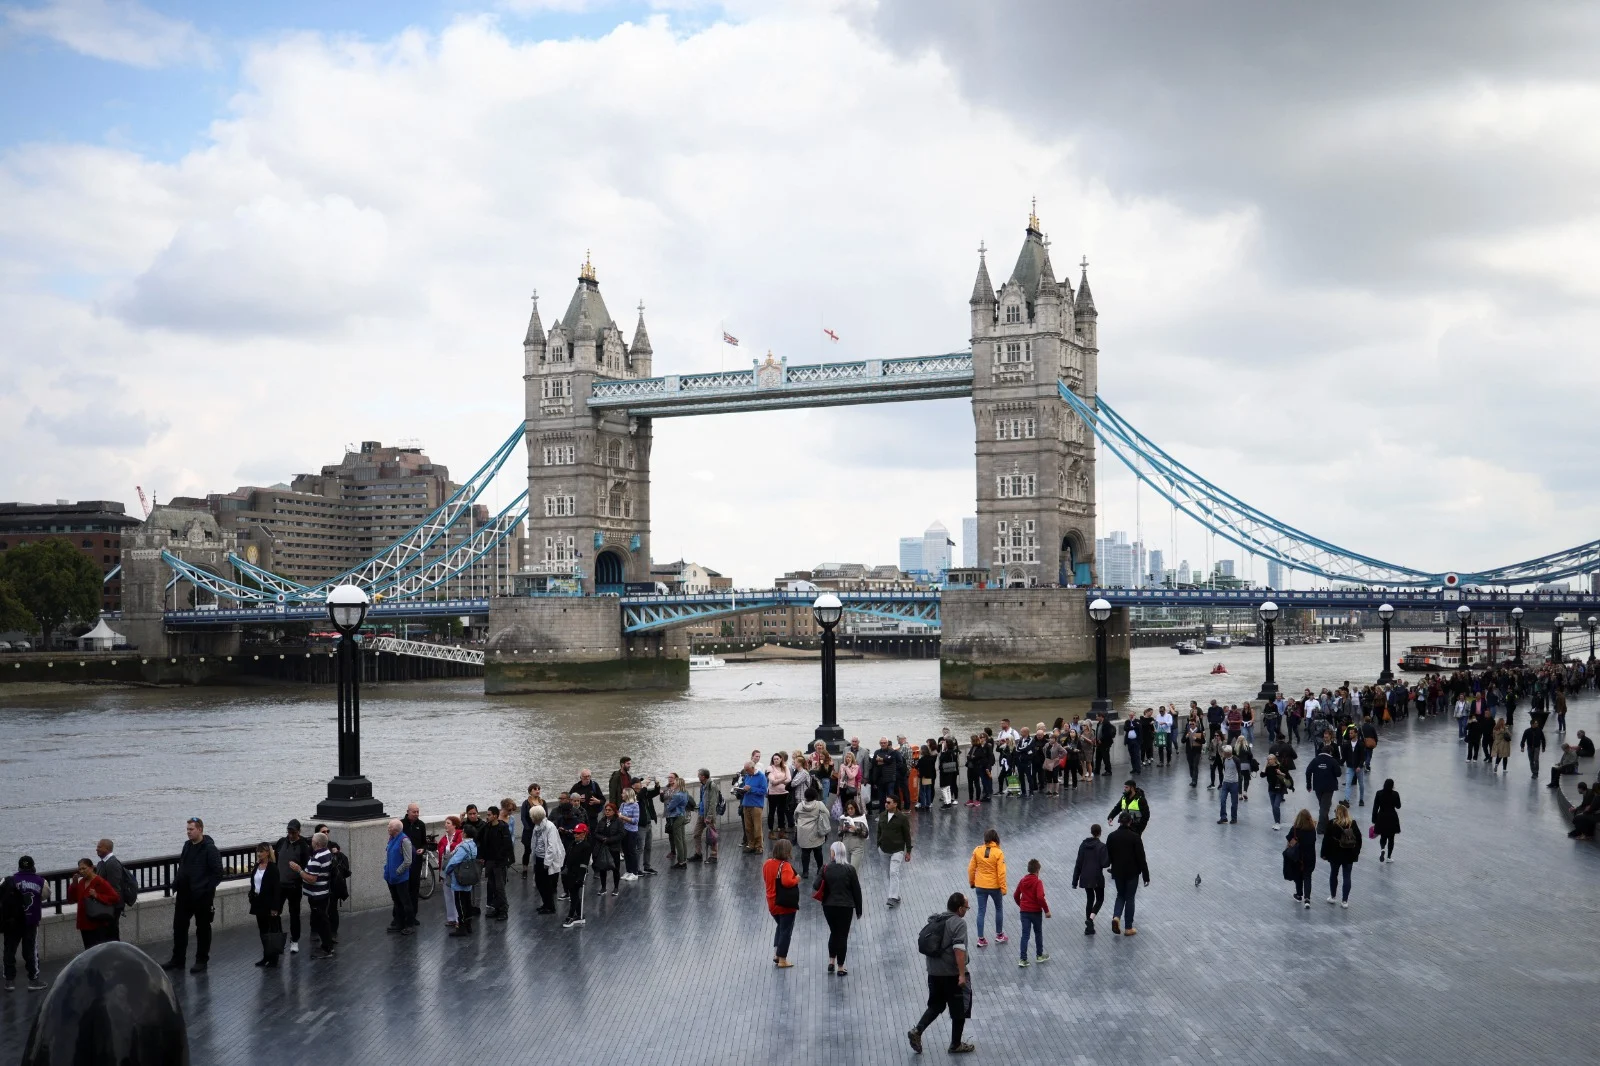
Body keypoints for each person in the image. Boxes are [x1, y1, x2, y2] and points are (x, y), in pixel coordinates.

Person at [907, 892, 973, 1056]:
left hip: (933, 972)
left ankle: (917, 1030)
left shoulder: (937, 919)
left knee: (936, 1005)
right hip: (950, 973)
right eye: (966, 908)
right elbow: (959, 950)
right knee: (959, 1009)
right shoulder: (959, 923)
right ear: (960, 909)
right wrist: (962, 974)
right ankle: (956, 1044)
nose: (966, 910)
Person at [163, 817, 222, 974]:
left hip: (202, 896)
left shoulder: (210, 849)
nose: (188, 832)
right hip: (184, 894)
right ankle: (178, 959)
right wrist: (176, 883)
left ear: (200, 829)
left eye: (191, 829)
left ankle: (201, 960)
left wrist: (206, 890)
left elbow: (218, 873)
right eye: (187, 829)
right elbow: (182, 866)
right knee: (179, 927)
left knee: (202, 928)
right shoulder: (187, 845)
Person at [816, 841, 863, 975]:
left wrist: (822, 875)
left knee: (834, 932)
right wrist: (859, 910)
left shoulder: (826, 868)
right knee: (842, 935)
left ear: (833, 853)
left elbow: (815, 885)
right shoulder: (850, 869)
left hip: (829, 906)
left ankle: (831, 962)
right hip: (846, 907)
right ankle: (841, 967)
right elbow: (857, 891)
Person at [1, 856, 47, 991]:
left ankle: (9, 981)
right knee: (31, 951)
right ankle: (33, 980)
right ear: (33, 867)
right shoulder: (41, 881)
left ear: (19, 867)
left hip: (11, 921)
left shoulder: (8, 880)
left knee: (9, 950)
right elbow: (45, 896)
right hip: (30, 921)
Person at [293, 830, 337, 958]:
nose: (310, 843)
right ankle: (327, 945)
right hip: (324, 892)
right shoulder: (327, 853)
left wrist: (299, 870)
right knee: (323, 920)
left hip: (317, 895)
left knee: (322, 921)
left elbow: (311, 879)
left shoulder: (317, 858)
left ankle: (327, 948)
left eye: (312, 841)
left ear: (317, 844)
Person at [1105, 813, 1149, 936]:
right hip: (1132, 872)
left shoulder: (1111, 836)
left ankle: (1116, 917)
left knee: (1120, 895)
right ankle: (1128, 928)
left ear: (1119, 821)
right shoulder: (1135, 837)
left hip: (1118, 872)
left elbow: (1108, 855)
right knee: (1130, 898)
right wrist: (1146, 876)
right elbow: (1141, 858)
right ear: (1130, 822)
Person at [274, 819, 312, 953]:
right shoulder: (281, 842)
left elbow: (306, 866)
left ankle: (294, 941)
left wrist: (298, 871)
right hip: (279, 885)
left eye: (293, 833)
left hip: (294, 886)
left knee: (294, 914)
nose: (290, 835)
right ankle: (277, 939)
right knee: (274, 912)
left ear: (299, 832)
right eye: (289, 832)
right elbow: (275, 859)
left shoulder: (303, 846)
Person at [65, 858, 119, 950]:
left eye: (84, 868)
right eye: (80, 869)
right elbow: (71, 899)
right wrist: (74, 884)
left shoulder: (100, 882)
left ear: (91, 868)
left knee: (98, 950)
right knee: (88, 949)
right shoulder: (81, 882)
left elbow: (115, 897)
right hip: (84, 923)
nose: (81, 871)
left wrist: (97, 895)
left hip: (97, 923)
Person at [762, 839, 801, 968]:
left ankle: (776, 954)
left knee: (780, 926)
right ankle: (782, 959)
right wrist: (797, 879)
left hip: (771, 902)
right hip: (784, 904)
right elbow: (787, 882)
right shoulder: (785, 866)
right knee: (786, 931)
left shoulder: (767, 863)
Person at [966, 828, 1007, 947]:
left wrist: (972, 882)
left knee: (981, 911)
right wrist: (1003, 888)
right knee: (998, 909)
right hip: (995, 887)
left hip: (980, 886)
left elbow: (971, 868)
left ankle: (981, 939)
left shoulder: (977, 850)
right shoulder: (998, 853)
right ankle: (999, 935)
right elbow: (1001, 873)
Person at [1321, 800, 1363, 907]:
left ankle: (1333, 896)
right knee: (1347, 876)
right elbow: (1359, 839)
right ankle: (1345, 901)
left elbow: (1326, 840)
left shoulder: (1332, 823)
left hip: (1334, 854)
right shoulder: (1352, 823)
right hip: (1349, 854)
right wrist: (1356, 852)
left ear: (1337, 813)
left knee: (1333, 874)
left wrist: (1324, 854)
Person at [248, 842, 284, 967]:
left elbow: (276, 889)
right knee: (263, 931)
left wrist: (275, 908)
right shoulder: (257, 866)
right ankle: (266, 956)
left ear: (268, 853)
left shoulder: (272, 868)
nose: (259, 854)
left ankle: (273, 958)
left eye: (261, 851)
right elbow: (254, 884)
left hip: (269, 904)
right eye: (258, 851)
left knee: (272, 931)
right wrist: (251, 896)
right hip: (258, 903)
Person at [525, 805, 565, 913]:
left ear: (536, 816)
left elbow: (552, 846)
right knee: (539, 882)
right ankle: (545, 904)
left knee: (546, 884)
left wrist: (547, 863)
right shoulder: (537, 826)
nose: (530, 817)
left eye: (531, 816)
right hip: (538, 858)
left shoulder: (550, 827)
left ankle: (550, 907)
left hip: (546, 860)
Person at [1070, 823, 1109, 935]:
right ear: (1100, 833)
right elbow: (1105, 864)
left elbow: (1078, 863)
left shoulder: (1083, 845)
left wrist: (1075, 881)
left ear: (1091, 832)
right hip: (1097, 877)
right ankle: (1090, 919)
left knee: (1090, 899)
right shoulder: (1102, 846)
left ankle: (1089, 928)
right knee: (1100, 899)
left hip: (1085, 877)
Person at [443, 825, 480, 937]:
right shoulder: (473, 845)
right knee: (467, 902)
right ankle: (468, 925)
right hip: (468, 877)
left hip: (460, 878)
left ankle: (462, 927)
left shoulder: (464, 847)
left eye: (463, 831)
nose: (461, 833)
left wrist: (446, 871)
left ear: (465, 834)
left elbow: (454, 861)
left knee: (460, 903)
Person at [877, 794, 914, 907]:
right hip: (884, 850)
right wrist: (878, 844)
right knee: (889, 874)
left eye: (889, 802)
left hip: (897, 850)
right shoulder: (882, 815)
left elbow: (907, 835)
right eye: (886, 802)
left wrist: (908, 851)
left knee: (893, 872)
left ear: (895, 804)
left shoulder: (902, 818)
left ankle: (892, 897)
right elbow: (879, 831)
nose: (886, 804)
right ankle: (896, 895)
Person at [1013, 858, 1051, 966]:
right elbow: (1040, 897)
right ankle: (1039, 955)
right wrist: (1046, 911)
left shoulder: (1022, 881)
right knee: (1038, 933)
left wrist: (1022, 905)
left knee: (1025, 935)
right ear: (1037, 871)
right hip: (1036, 912)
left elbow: (1016, 895)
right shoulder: (1038, 882)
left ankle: (1023, 959)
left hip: (1024, 912)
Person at [382, 819, 416, 934]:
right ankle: (399, 923)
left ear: (396, 829)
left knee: (405, 902)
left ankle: (410, 924)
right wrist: (387, 870)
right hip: (391, 877)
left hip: (400, 878)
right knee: (397, 901)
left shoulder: (404, 840)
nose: (388, 828)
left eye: (390, 826)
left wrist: (398, 872)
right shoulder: (392, 839)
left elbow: (408, 861)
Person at [92, 839, 127, 943]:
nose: (96, 849)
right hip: (105, 905)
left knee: (111, 934)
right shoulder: (102, 863)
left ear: (107, 848)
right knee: (106, 934)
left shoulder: (112, 864)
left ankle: (116, 952)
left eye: (99, 847)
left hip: (112, 906)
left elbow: (114, 888)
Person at [794, 785, 831, 878]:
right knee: (818, 852)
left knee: (805, 853)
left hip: (803, 833)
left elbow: (795, 816)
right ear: (815, 795)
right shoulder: (819, 804)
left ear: (805, 796)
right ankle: (820, 869)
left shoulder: (800, 805)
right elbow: (828, 814)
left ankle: (805, 872)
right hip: (816, 833)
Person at [435, 815, 464, 927]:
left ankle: (458, 918)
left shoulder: (460, 835)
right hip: (446, 869)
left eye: (448, 823)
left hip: (456, 869)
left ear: (454, 825)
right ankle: (451, 918)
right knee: (447, 894)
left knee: (456, 894)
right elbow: (440, 850)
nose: (445, 825)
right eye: (445, 823)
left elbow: (460, 850)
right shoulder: (444, 838)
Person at [1285, 809, 1317, 908]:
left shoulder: (1295, 829)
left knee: (1298, 876)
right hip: (1310, 857)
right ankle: (1307, 899)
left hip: (1297, 857)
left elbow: (1289, 841)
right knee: (1307, 876)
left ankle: (1299, 895)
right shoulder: (1312, 829)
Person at [562, 823, 592, 927]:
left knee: (574, 896)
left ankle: (571, 916)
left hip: (577, 874)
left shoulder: (586, 846)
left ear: (584, 834)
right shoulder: (573, 843)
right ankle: (579, 915)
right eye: (575, 833)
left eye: (578, 833)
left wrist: (581, 877)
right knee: (573, 895)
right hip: (569, 873)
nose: (576, 835)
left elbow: (584, 863)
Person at [1305, 745, 1341, 831]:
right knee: (1324, 807)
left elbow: (1308, 772)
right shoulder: (1333, 761)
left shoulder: (1315, 760)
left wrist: (1309, 785)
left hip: (1318, 787)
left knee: (1323, 806)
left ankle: (1326, 825)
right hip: (1329, 787)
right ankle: (1320, 828)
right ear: (1330, 752)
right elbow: (1338, 773)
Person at [735, 760, 768, 853]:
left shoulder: (761, 776)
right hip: (746, 804)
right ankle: (751, 845)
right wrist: (740, 790)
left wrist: (751, 789)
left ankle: (759, 847)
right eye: (745, 769)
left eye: (747, 769)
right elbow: (745, 787)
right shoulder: (747, 776)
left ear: (753, 768)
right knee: (748, 827)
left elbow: (764, 791)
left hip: (756, 805)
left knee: (757, 827)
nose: (745, 771)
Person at [663, 773, 694, 870]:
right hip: (682, 815)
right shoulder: (685, 793)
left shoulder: (677, 795)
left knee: (678, 840)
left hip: (676, 817)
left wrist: (668, 803)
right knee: (683, 839)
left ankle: (681, 862)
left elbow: (669, 807)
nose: (674, 783)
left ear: (678, 784)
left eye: (675, 782)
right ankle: (684, 860)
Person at [593, 803, 624, 896]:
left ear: (614, 811)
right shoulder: (602, 820)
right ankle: (603, 888)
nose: (607, 812)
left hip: (614, 848)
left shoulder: (618, 821)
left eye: (609, 810)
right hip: (603, 848)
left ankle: (616, 888)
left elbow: (621, 834)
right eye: (606, 810)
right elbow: (596, 833)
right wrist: (602, 839)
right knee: (602, 868)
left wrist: (610, 840)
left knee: (615, 869)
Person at [691, 768, 721, 863]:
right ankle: (698, 854)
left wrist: (709, 816)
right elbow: (702, 800)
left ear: (703, 777)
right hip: (701, 814)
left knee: (712, 836)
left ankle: (714, 856)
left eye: (699, 775)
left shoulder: (712, 786)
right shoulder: (702, 786)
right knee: (696, 834)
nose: (698, 777)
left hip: (708, 816)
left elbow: (713, 803)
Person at [1372, 778, 1402, 862]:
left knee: (1383, 836)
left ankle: (1382, 849)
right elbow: (1398, 806)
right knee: (1391, 838)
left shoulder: (1379, 793)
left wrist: (1374, 819)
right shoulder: (1395, 794)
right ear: (1392, 786)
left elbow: (1375, 807)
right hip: (1392, 817)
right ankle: (1389, 857)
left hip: (1381, 817)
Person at [838, 796, 870, 870]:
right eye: (848, 809)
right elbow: (839, 834)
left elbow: (865, 834)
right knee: (846, 870)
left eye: (851, 808)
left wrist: (856, 829)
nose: (850, 810)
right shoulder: (843, 818)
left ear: (855, 808)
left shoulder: (861, 819)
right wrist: (844, 830)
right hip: (845, 845)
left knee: (853, 870)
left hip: (857, 846)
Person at [618, 788, 643, 880]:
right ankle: (628, 871)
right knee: (626, 852)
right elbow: (619, 815)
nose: (622, 795)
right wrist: (621, 818)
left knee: (632, 852)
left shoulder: (635, 805)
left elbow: (635, 821)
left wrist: (623, 817)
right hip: (623, 830)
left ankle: (635, 872)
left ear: (628, 794)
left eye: (623, 793)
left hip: (632, 832)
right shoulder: (623, 804)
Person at [1217, 744, 1241, 824]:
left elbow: (1239, 772)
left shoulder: (1236, 760)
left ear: (1228, 753)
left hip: (1234, 783)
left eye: (1224, 752)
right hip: (1225, 782)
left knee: (1234, 802)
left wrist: (1240, 787)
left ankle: (1234, 818)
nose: (1223, 753)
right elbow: (1225, 769)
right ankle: (1223, 817)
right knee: (1222, 800)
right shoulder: (1224, 759)